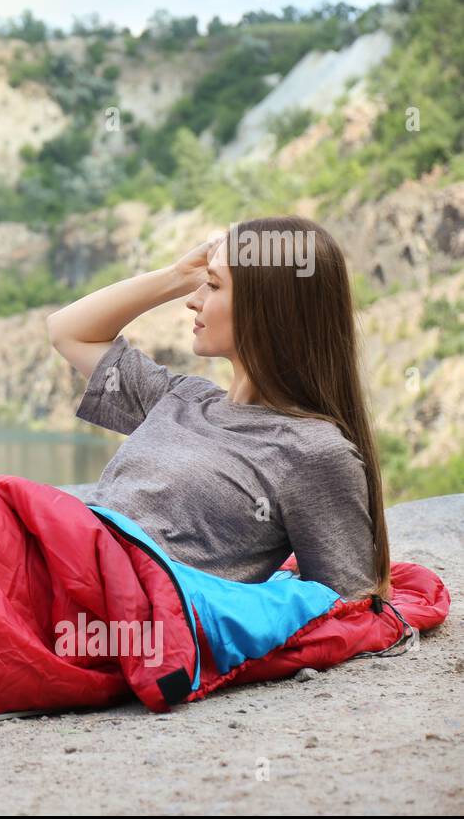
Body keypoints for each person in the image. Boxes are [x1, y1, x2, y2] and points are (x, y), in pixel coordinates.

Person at [46, 215, 391, 601]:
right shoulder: (179, 397)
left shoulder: (312, 451)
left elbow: (348, 602)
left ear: (268, 307)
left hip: (104, 603)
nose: (193, 300)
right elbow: (67, 331)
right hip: (63, 568)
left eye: (211, 285)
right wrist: (177, 275)